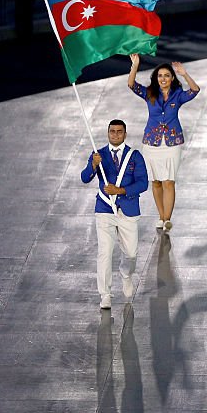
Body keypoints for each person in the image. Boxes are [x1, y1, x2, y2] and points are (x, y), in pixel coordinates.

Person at [80, 120, 149, 310]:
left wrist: (120, 190)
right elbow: (85, 178)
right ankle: (105, 294)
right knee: (105, 252)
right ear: (108, 133)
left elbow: (143, 183)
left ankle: (126, 275)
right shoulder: (98, 155)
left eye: (120, 132)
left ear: (125, 134)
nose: (116, 135)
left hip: (128, 210)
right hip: (104, 209)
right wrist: (93, 166)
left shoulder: (135, 156)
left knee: (131, 254)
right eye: (112, 132)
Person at [127, 55, 200, 232]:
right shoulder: (149, 93)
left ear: (172, 78)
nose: (163, 79)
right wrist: (134, 66)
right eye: (160, 76)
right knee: (156, 181)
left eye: (167, 75)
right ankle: (161, 216)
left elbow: (195, 90)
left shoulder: (177, 95)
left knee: (169, 181)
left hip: (172, 143)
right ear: (156, 78)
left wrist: (185, 74)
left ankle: (167, 218)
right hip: (151, 143)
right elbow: (131, 85)